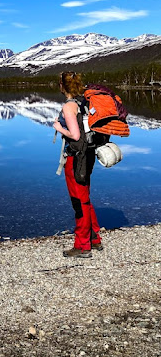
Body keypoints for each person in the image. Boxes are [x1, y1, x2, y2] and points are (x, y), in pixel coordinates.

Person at [53, 71, 103, 258]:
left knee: (78, 201)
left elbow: (75, 135)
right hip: (87, 155)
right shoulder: (84, 102)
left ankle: (82, 246)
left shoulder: (69, 106)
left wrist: (59, 128)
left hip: (75, 158)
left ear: (62, 86)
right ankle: (94, 238)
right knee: (85, 197)